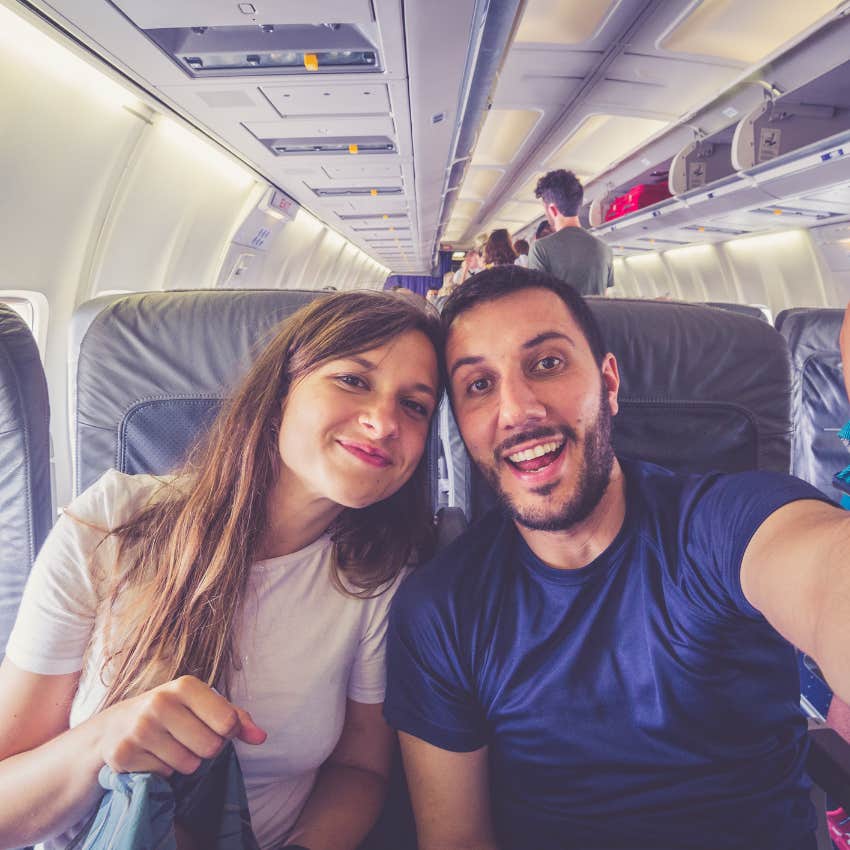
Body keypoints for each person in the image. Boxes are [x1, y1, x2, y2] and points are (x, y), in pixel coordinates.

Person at [384, 266, 850, 850]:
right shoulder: (440, 610)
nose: (517, 408)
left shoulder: (721, 524)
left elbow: (823, 568)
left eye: (547, 364)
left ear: (608, 383)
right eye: (479, 385)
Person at [0, 291, 443, 850]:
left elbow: (361, 770)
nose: (383, 422)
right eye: (353, 380)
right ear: (281, 390)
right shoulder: (110, 525)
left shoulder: (377, 577)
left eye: (415, 405)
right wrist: (101, 742)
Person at [528, 169, 613, 295]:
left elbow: (538, 299)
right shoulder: (604, 248)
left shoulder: (540, 248)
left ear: (552, 209)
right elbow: (605, 296)